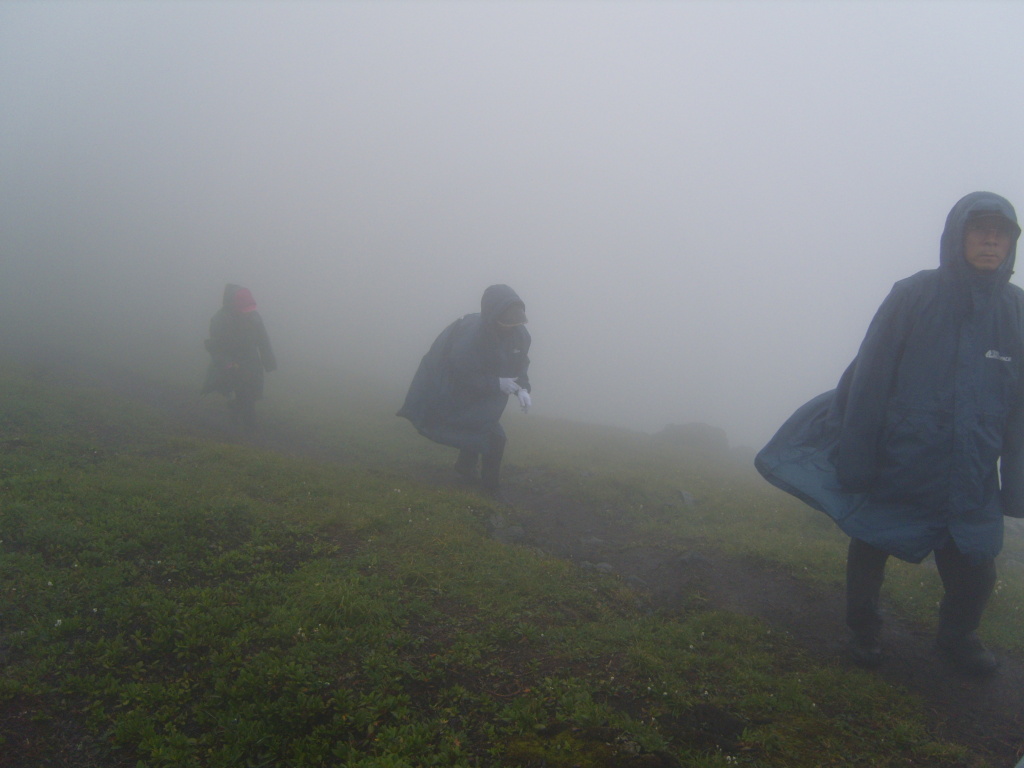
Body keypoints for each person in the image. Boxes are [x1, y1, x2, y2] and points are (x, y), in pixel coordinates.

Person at [755, 191, 1024, 676]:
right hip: (902, 460)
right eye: (979, 228)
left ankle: (957, 638)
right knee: (870, 542)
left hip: (972, 472)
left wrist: (1016, 484)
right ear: (956, 236)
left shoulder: (1017, 311)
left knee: (977, 566)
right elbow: (869, 379)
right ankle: (865, 631)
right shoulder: (913, 295)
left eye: (1000, 231)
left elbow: (1022, 407)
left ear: (1012, 242)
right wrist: (857, 458)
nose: (990, 239)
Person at [398, 284, 532, 499]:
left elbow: (519, 363)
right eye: (505, 321)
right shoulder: (472, 336)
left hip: (485, 389)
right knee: (495, 437)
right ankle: (490, 490)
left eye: (514, 321)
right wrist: (495, 383)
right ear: (492, 314)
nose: (510, 326)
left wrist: (523, 388)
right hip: (457, 390)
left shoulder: (519, 335)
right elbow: (460, 372)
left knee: (480, 424)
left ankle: (464, 468)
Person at [201, 283, 277, 433]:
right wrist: (228, 364)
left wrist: (268, 361)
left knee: (253, 392)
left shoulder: (254, 316)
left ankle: (235, 409)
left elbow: (263, 340)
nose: (246, 312)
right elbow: (216, 348)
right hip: (233, 362)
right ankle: (250, 425)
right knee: (243, 391)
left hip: (251, 360)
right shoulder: (220, 320)